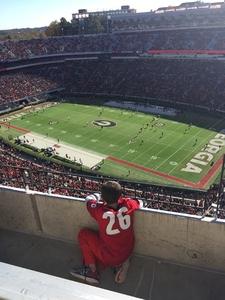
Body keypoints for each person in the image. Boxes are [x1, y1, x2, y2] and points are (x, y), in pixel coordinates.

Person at [70, 181, 142, 284]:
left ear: (103, 198)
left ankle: (92, 271)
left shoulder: (99, 211)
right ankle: (124, 262)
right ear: (120, 195)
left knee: (84, 234)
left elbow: (88, 199)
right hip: (128, 250)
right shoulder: (129, 204)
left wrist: (98, 195)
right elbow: (140, 202)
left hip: (111, 256)